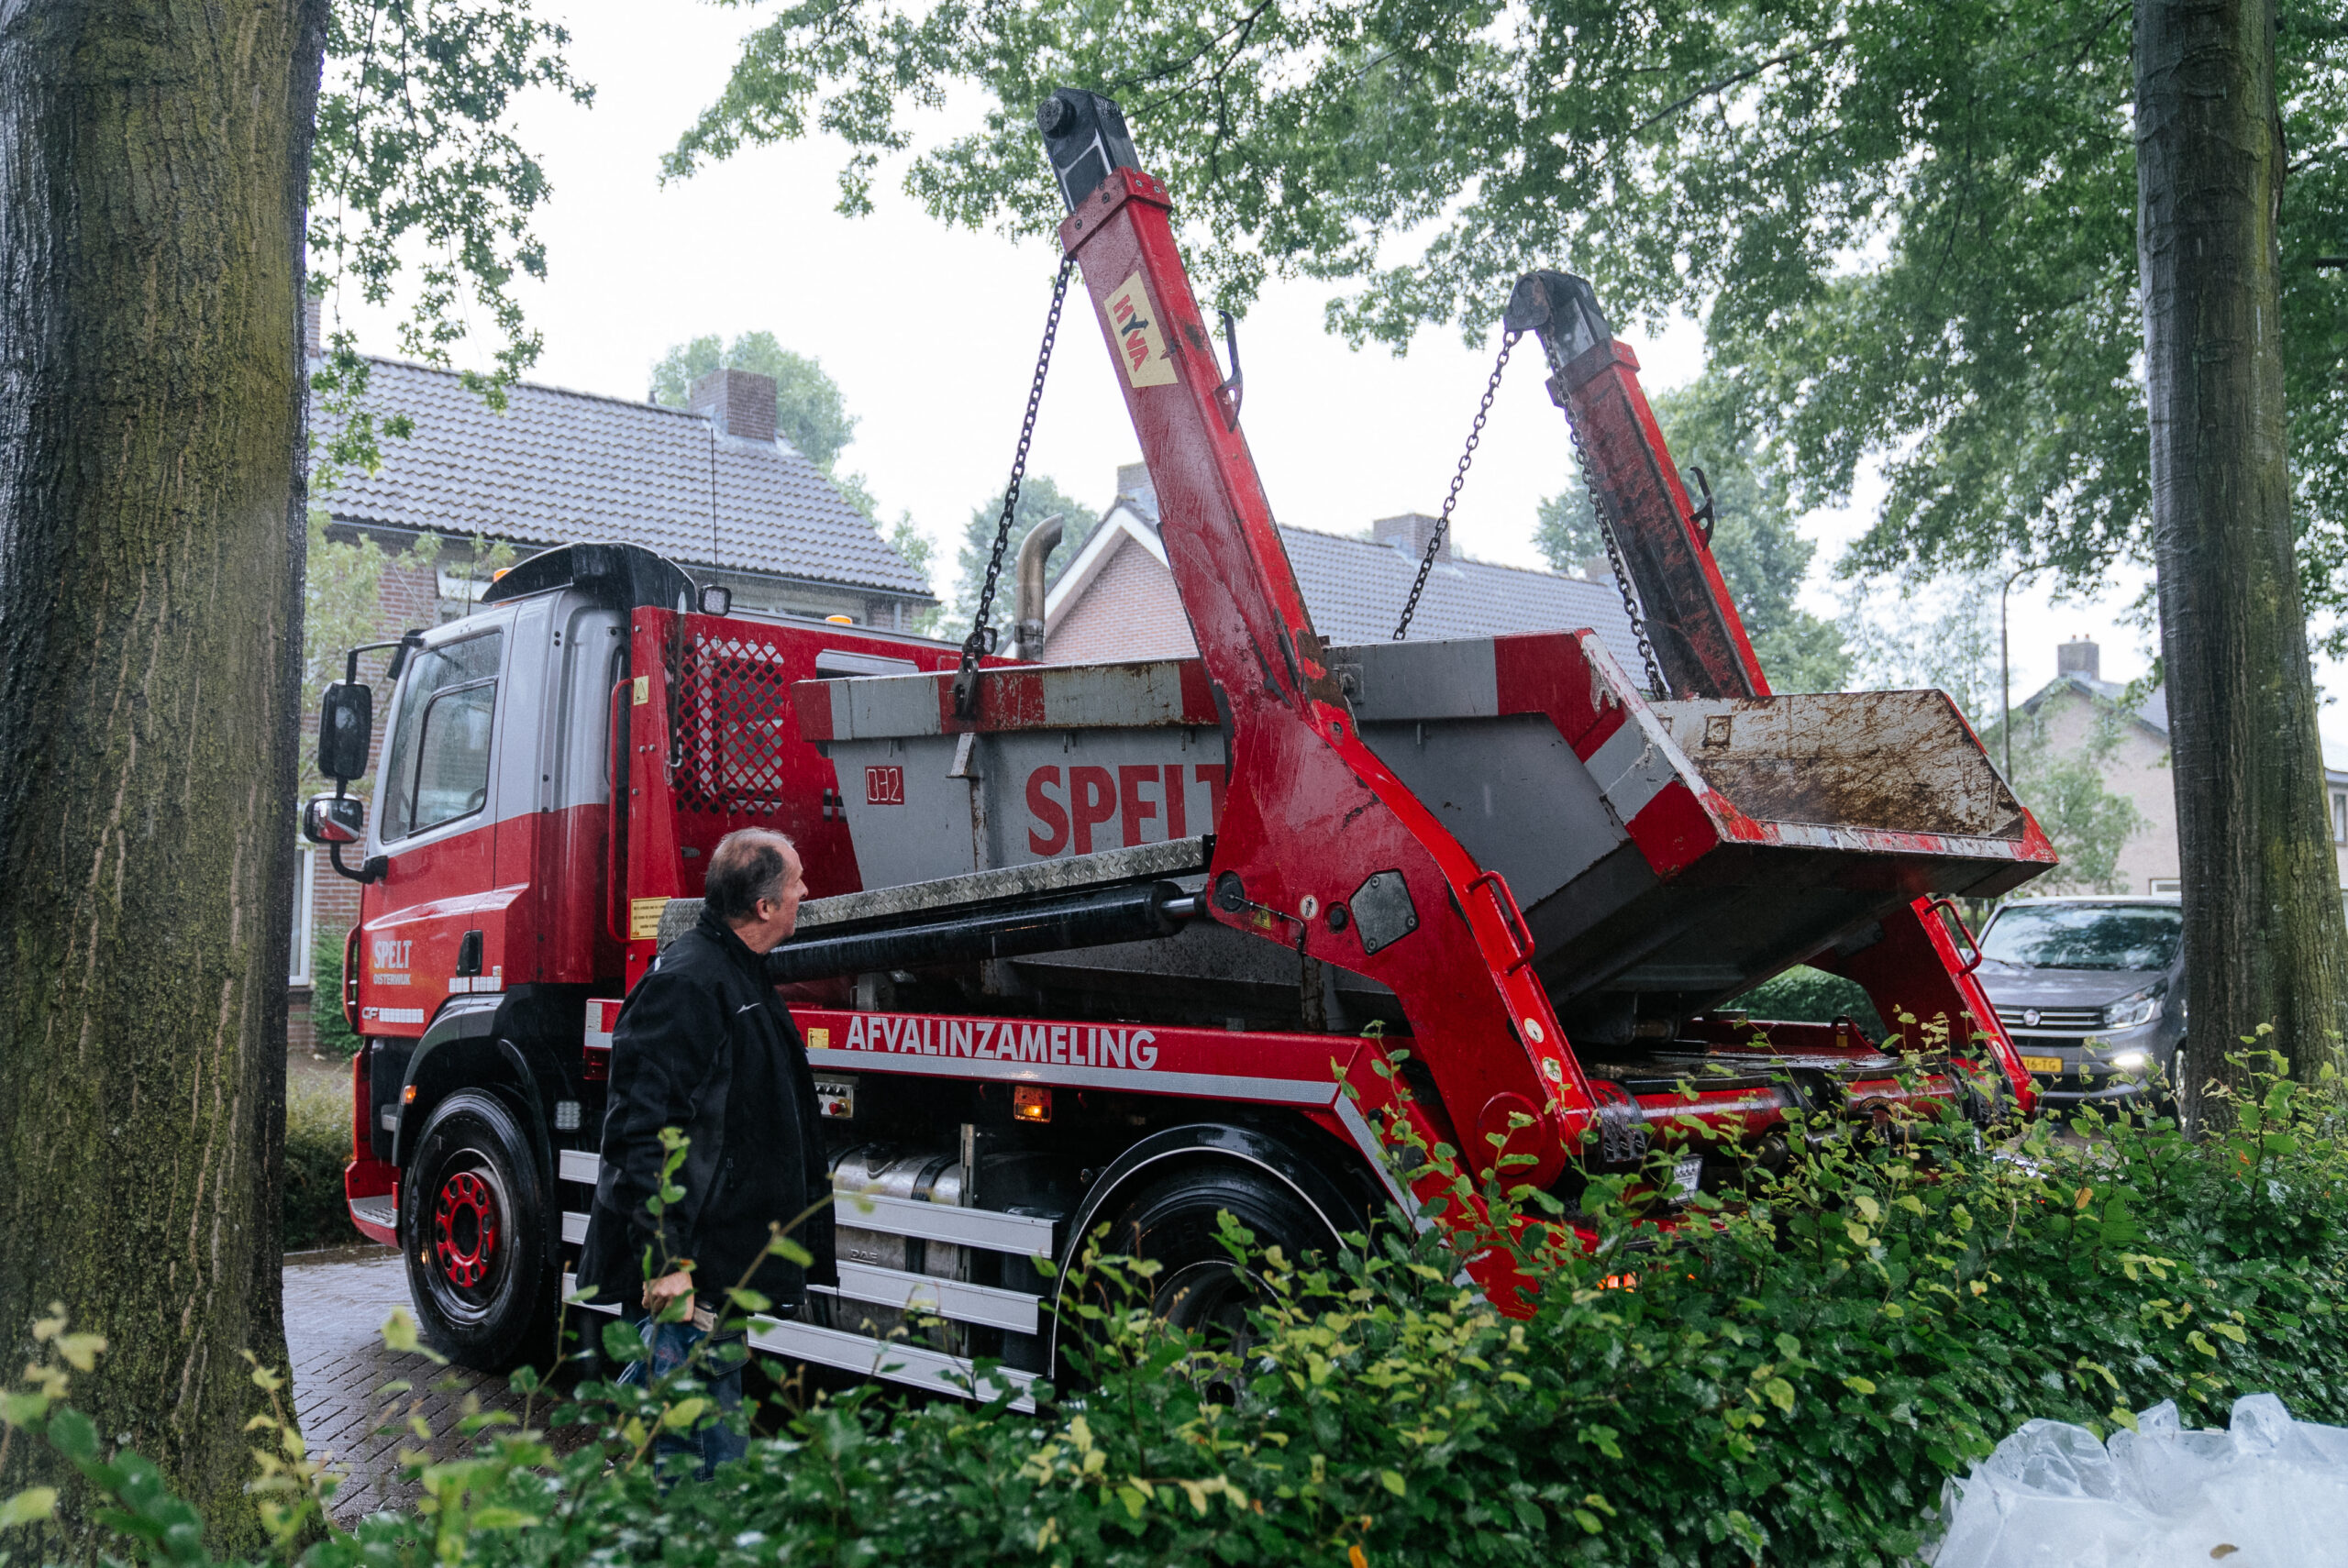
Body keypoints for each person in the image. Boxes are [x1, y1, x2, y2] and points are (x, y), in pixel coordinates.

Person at [575, 827, 836, 1480]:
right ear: (765, 907)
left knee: (691, 1454)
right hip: (691, 1279)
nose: (808, 892)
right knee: (700, 1476)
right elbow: (640, 1132)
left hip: (713, 1275)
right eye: (797, 882)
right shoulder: (691, 985)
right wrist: (667, 1263)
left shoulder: (734, 974)